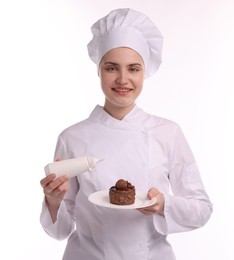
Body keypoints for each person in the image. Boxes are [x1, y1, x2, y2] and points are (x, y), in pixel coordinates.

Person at [40, 8, 213, 260]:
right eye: (112, 68)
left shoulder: (167, 133)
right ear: (99, 70)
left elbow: (202, 209)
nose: (123, 79)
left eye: (133, 69)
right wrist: (53, 201)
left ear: (145, 72)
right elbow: (60, 231)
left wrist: (163, 204)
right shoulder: (72, 137)